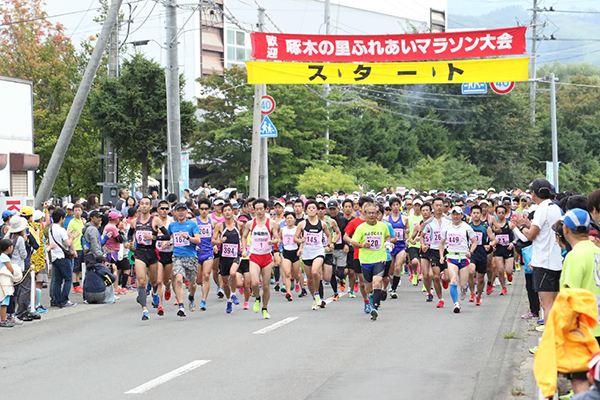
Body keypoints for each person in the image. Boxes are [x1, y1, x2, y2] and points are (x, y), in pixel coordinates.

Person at [517, 178, 563, 331]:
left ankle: (550, 343)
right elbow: (544, 229)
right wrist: (529, 225)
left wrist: (522, 225)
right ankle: (556, 340)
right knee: (554, 303)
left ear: (535, 193)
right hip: (556, 261)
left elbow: (530, 235)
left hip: (544, 262)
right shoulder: (555, 207)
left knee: (546, 305)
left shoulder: (541, 209)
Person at [127, 197, 170, 320]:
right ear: (139, 206)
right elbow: (129, 234)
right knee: (141, 281)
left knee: (154, 282)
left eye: (147, 204)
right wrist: (130, 242)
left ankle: (155, 293)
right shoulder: (134, 222)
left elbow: (166, 235)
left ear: (150, 207)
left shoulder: (155, 220)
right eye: (142, 204)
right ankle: (144, 309)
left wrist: (154, 238)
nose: (144, 206)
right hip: (140, 252)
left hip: (152, 253)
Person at [351, 203, 391, 321]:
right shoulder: (361, 228)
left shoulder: (383, 226)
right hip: (365, 260)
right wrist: (362, 245)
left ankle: (375, 307)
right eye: (369, 213)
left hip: (379, 258)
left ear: (378, 214)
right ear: (365, 214)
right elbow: (354, 243)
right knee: (368, 288)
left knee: (377, 281)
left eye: (374, 213)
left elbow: (387, 236)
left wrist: (388, 243)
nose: (372, 215)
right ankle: (372, 299)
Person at [241, 198, 280, 319]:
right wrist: (244, 249)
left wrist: (272, 241)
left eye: (261, 209)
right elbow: (243, 236)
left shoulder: (271, 223)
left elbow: (277, 239)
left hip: (267, 257)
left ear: (266, 209)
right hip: (254, 256)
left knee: (266, 286)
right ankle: (257, 298)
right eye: (256, 209)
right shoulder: (250, 223)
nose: (258, 211)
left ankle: (265, 308)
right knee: (255, 282)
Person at [439, 206, 477, 313]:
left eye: (457, 214)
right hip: (451, 257)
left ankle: (465, 289)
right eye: (453, 214)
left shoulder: (467, 228)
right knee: (454, 280)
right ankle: (456, 304)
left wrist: (470, 251)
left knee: (463, 285)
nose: (455, 217)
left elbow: (474, 242)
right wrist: (442, 256)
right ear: (451, 215)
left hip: (464, 257)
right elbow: (441, 243)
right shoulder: (446, 228)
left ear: (462, 215)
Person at [168, 202, 201, 317]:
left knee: (192, 283)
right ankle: (181, 306)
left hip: (191, 257)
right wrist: (165, 243)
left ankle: (191, 297)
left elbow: (198, 240)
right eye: (179, 210)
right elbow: (169, 238)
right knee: (178, 279)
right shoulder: (172, 226)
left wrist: (188, 237)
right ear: (175, 213)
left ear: (187, 212)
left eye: (183, 210)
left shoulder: (192, 225)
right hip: (177, 256)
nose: (181, 213)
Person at [212, 202, 242, 313]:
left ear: (232, 211)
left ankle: (234, 294)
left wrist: (243, 247)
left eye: (229, 210)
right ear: (222, 213)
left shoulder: (239, 225)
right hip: (224, 256)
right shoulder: (220, 226)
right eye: (225, 211)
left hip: (235, 255)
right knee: (224, 282)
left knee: (233, 273)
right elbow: (212, 240)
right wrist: (218, 242)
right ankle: (229, 300)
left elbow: (243, 237)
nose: (228, 212)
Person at [48, 209, 78, 308]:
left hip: (54, 256)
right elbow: (67, 243)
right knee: (68, 278)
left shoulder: (51, 228)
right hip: (62, 256)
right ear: (61, 218)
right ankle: (64, 300)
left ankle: (56, 300)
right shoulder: (61, 230)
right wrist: (72, 237)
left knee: (57, 280)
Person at [469, 205, 496, 306]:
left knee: (480, 279)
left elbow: (493, 240)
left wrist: (490, 245)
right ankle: (472, 292)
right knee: (470, 271)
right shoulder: (468, 226)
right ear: (471, 214)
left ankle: (478, 296)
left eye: (477, 213)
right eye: (474, 213)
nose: (475, 215)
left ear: (480, 214)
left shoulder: (485, 227)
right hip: (471, 253)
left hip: (482, 254)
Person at [194, 198, 217, 311]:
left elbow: (216, 236)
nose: (203, 211)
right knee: (198, 280)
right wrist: (194, 245)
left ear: (209, 209)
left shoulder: (212, 222)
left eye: (206, 209)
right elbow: (189, 236)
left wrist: (216, 245)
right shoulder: (194, 221)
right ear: (198, 209)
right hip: (197, 252)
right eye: (201, 209)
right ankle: (193, 294)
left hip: (208, 252)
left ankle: (203, 300)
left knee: (206, 275)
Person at [491, 204, 516, 295]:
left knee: (508, 270)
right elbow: (491, 237)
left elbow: (517, 236)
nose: (501, 214)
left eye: (502, 213)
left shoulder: (509, 224)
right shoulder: (494, 226)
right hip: (498, 249)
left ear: (505, 214)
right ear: (496, 214)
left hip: (508, 249)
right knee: (500, 269)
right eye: (499, 213)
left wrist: (512, 243)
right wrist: (492, 245)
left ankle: (509, 275)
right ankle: (503, 287)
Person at [155, 200, 173, 316]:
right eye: (162, 208)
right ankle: (160, 306)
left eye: (167, 209)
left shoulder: (172, 222)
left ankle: (168, 287)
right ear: (158, 210)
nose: (164, 211)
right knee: (159, 280)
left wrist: (168, 242)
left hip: (169, 253)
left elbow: (176, 237)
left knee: (166, 280)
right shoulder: (154, 222)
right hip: (157, 254)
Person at [280, 207, 301, 301]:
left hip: (295, 252)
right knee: (287, 273)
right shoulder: (283, 229)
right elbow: (280, 238)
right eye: (287, 218)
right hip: (286, 252)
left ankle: (295, 281)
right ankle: (288, 292)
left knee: (296, 274)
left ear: (294, 220)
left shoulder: (297, 229)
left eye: (291, 218)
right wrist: (278, 245)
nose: (289, 220)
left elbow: (302, 241)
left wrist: (300, 249)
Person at [69, 204, 85, 293]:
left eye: (79, 210)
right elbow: (69, 233)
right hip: (76, 246)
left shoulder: (82, 221)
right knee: (75, 267)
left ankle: (78, 283)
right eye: (75, 210)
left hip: (82, 246)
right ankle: (75, 285)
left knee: (79, 268)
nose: (77, 212)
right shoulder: (72, 222)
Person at [0, 238, 16, 327]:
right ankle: (3, 320)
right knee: (4, 301)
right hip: (4, 281)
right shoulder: (5, 257)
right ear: (8, 248)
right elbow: (11, 269)